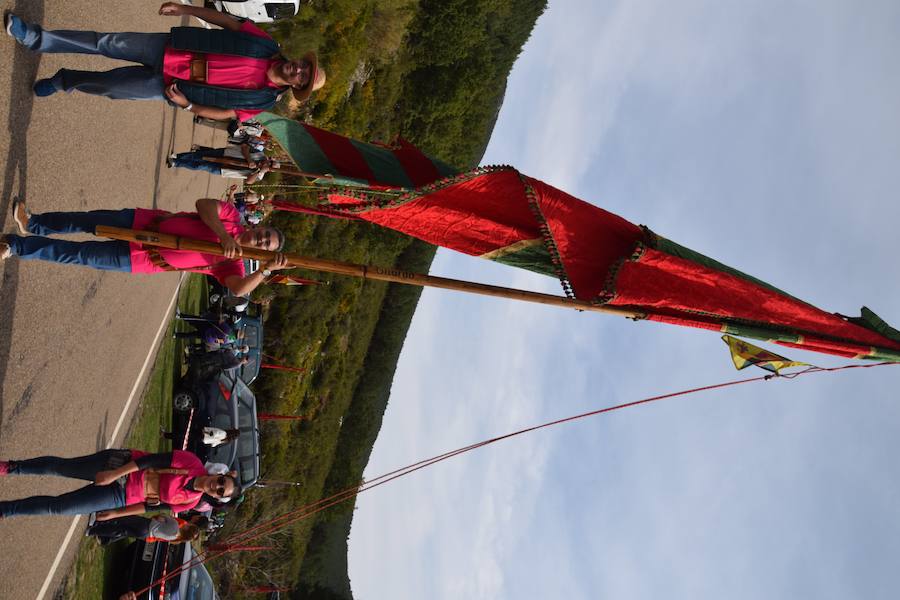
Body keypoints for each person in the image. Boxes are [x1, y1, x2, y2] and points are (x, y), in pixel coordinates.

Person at [4, 3, 326, 122]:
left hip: (170, 86)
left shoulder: (263, 100)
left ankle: (64, 80)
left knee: (111, 88)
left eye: (303, 77)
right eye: (303, 66)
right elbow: (227, 21)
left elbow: (225, 113)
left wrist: (187, 106)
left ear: (297, 86)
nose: (298, 70)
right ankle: (36, 38)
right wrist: (187, 10)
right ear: (299, 61)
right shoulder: (265, 43)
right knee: (105, 42)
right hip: (170, 48)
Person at [1, 197, 291, 296]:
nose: (262, 241)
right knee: (84, 221)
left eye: (266, 245)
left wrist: (264, 272)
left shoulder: (234, 266)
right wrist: (224, 236)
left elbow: (238, 289)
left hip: (140, 259)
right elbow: (203, 205)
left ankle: (14, 246)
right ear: (259, 227)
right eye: (265, 234)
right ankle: (35, 222)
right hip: (142, 223)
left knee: (75, 254)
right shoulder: (232, 218)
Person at [0, 448, 240, 519]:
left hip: (122, 496)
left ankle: (6, 510)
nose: (216, 486)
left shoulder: (190, 502)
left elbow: (150, 508)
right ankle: (11, 467)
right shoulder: (192, 463)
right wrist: (114, 474)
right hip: (120, 467)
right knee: (60, 468)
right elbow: (150, 460)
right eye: (221, 482)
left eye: (220, 491)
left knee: (60, 507)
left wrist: (115, 513)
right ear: (219, 474)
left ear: (217, 497)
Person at [169, 143, 279, 184]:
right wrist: (249, 160)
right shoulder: (260, 154)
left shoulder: (259, 175)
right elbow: (245, 147)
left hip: (224, 169)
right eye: (271, 163)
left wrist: (258, 170)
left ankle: (176, 163)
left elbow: (249, 181)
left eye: (270, 167)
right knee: (200, 155)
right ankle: (177, 156)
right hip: (225, 154)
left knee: (200, 165)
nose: (268, 164)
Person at [86, 514, 200, 546]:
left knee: (121, 519)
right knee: (119, 531)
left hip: (147, 525)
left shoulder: (176, 525)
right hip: (146, 536)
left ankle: (97, 521)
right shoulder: (176, 539)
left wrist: (161, 518)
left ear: (188, 527)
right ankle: (92, 531)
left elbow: (163, 516)